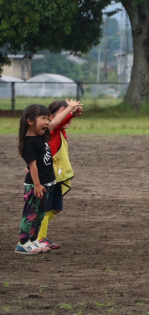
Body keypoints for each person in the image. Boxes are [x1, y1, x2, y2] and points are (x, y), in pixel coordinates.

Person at [15, 101, 81, 255]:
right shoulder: (29, 142)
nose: (47, 122)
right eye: (43, 119)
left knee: (40, 214)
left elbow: (57, 121)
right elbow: (32, 166)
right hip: (35, 185)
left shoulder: (43, 136)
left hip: (47, 183)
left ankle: (34, 240)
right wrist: (37, 185)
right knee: (30, 214)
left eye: (47, 119)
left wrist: (71, 111)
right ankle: (23, 243)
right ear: (30, 122)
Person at [36, 99, 83, 250]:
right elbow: (55, 124)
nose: (66, 115)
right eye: (62, 113)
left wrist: (72, 114)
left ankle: (36, 230)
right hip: (49, 176)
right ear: (50, 117)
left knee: (56, 208)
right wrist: (70, 110)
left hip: (58, 176)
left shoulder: (60, 131)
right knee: (45, 208)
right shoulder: (52, 131)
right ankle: (39, 237)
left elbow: (61, 122)